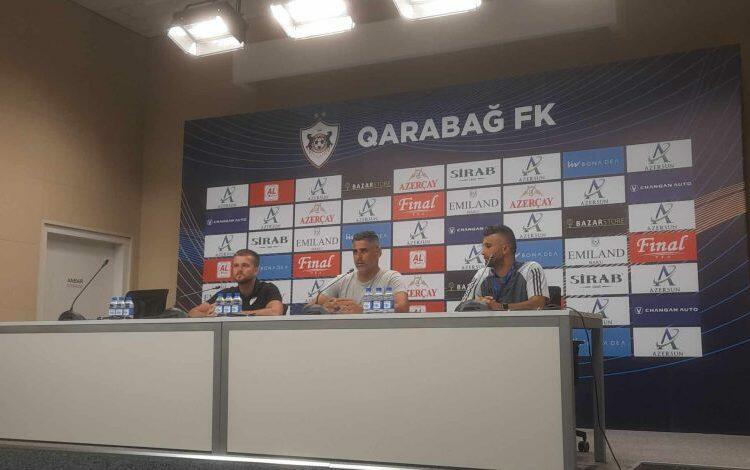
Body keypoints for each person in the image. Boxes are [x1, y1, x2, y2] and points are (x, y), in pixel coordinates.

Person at [309, 231, 409, 313]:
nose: (358, 257)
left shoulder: (391, 278)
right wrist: (324, 307)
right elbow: (308, 307)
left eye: (364, 251)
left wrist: (363, 310)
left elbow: (403, 307)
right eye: (355, 252)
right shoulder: (342, 280)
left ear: (378, 252)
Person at [470, 225, 549, 311]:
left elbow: (538, 304)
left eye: (488, 246)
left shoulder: (530, 269)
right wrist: (475, 302)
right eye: (483, 247)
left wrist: (500, 307)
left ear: (505, 249)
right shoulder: (481, 274)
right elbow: (462, 307)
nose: (482, 252)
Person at [189, 249, 284, 317]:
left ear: (256, 270)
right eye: (236, 265)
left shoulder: (267, 289)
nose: (239, 270)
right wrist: (209, 315)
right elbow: (193, 312)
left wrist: (234, 314)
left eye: (245, 265)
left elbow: (275, 312)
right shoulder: (228, 294)